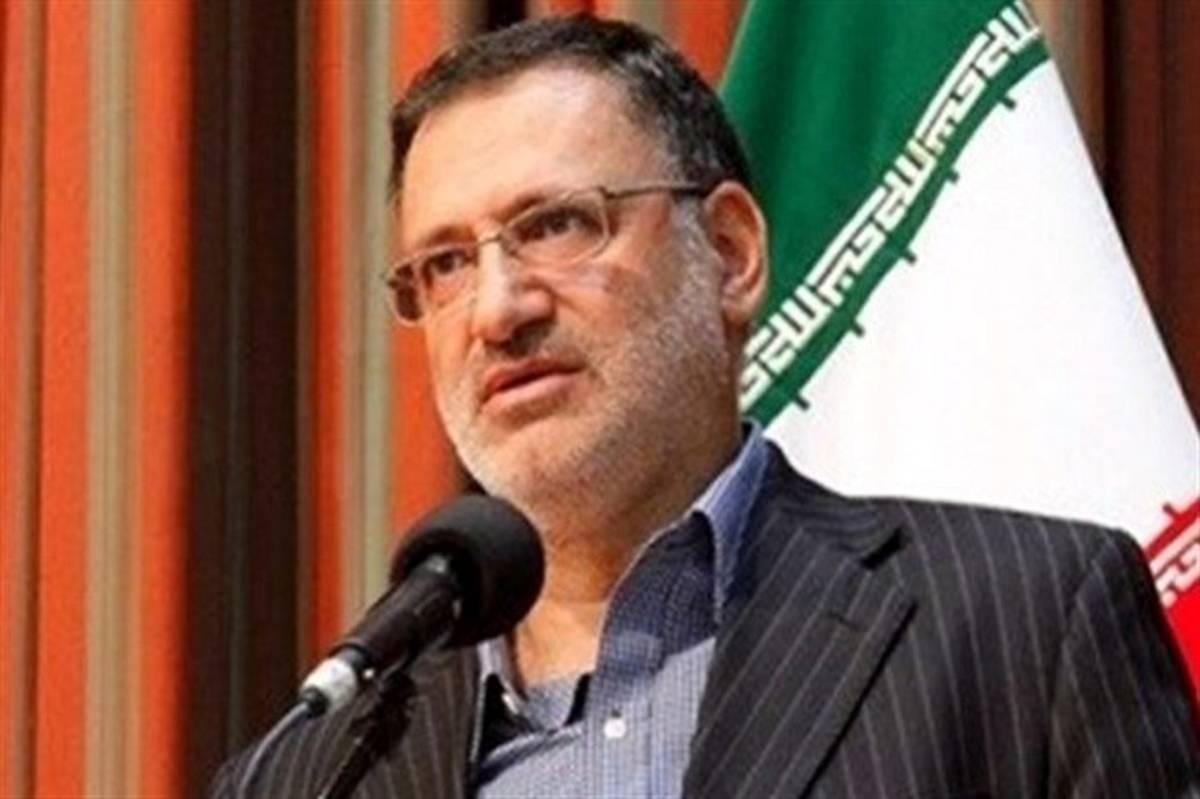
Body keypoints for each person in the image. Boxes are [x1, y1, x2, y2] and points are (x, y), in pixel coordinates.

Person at [214, 14, 1200, 798]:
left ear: (729, 253)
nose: (498, 309)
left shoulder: (1024, 622)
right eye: (445, 264)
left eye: (557, 224)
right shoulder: (315, 767)